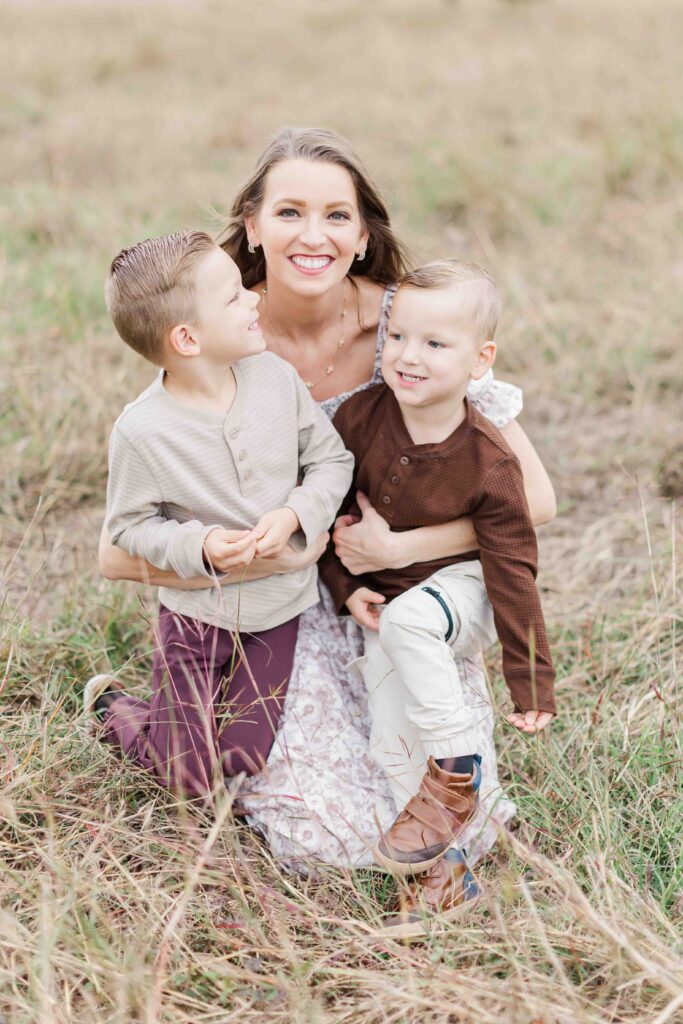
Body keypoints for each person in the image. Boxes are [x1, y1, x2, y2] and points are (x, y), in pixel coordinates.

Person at [97, 128, 556, 883]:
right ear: (250, 224)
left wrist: (400, 552)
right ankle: (156, 719)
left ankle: (442, 836)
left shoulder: (412, 328)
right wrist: (241, 559)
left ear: (363, 232)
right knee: (324, 829)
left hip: (391, 590)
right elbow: (120, 553)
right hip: (270, 600)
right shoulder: (218, 338)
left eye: (337, 216)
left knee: (437, 786)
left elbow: (532, 499)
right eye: (289, 213)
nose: (314, 235)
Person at [320, 258, 556, 934]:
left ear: (480, 360)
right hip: (387, 601)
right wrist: (347, 588)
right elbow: (338, 518)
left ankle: (459, 764)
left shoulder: (487, 456)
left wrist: (531, 680)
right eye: (396, 337)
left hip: (466, 589)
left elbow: (512, 565)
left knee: (412, 621)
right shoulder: (361, 419)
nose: (406, 356)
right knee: (390, 721)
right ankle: (443, 872)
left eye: (434, 344)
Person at [86, 230, 353, 800]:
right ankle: (115, 709)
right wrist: (200, 544)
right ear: (187, 338)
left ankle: (168, 722)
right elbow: (130, 528)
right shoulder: (142, 431)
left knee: (242, 756)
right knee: (186, 773)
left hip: (278, 611)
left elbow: (331, 459)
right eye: (234, 297)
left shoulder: (276, 380)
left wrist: (294, 515)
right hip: (193, 618)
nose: (254, 299)